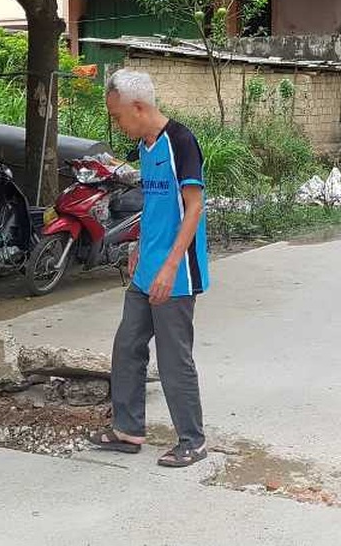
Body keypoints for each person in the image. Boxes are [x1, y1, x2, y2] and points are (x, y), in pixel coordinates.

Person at [90, 69, 210, 467]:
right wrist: (139, 246)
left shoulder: (181, 142)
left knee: (174, 358)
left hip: (177, 272)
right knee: (127, 346)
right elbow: (156, 205)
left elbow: (194, 207)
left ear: (139, 107)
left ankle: (192, 440)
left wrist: (170, 266)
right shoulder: (146, 146)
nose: (117, 124)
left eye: (119, 116)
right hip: (147, 267)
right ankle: (127, 430)